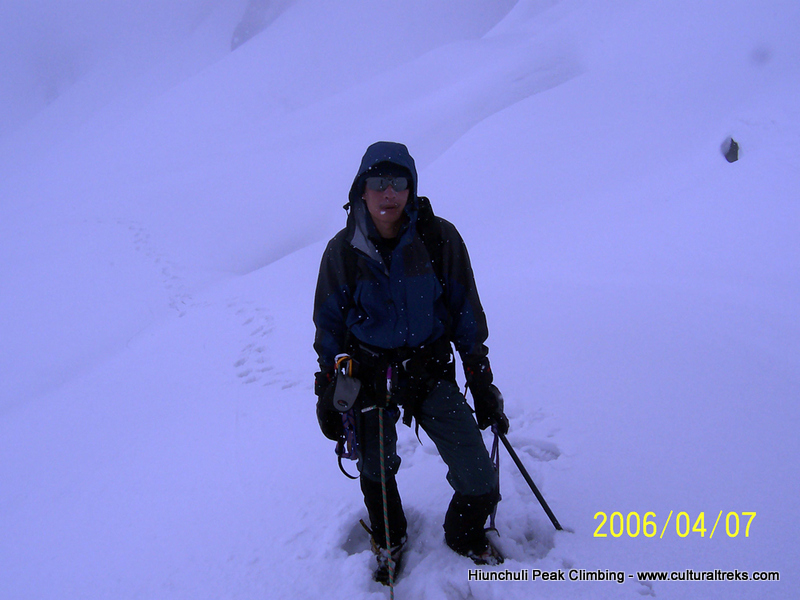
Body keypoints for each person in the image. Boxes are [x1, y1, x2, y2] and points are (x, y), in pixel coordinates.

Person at [313, 141, 509, 583]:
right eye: (377, 182)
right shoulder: (342, 252)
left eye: (397, 182)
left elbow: (465, 314)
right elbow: (329, 327)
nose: (388, 193)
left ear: (411, 187)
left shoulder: (439, 239)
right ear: (361, 190)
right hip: (368, 377)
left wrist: (480, 381)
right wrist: (327, 387)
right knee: (375, 467)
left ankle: (463, 534)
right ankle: (389, 537)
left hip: (428, 369)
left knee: (479, 475)